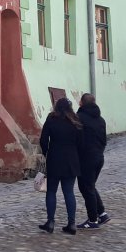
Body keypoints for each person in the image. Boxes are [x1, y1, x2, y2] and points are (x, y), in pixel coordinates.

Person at [38, 97, 83, 234]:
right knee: (69, 192)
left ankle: (50, 222)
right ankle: (72, 223)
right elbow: (81, 142)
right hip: (71, 160)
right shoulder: (75, 121)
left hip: (55, 158)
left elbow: (43, 139)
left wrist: (46, 153)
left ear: (56, 107)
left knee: (51, 191)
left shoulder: (51, 119)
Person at [76, 94, 109, 229]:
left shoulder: (79, 118)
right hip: (99, 157)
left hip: (86, 158)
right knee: (90, 186)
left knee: (86, 187)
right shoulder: (101, 119)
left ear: (81, 103)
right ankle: (102, 213)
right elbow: (104, 140)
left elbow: (78, 139)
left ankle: (93, 220)